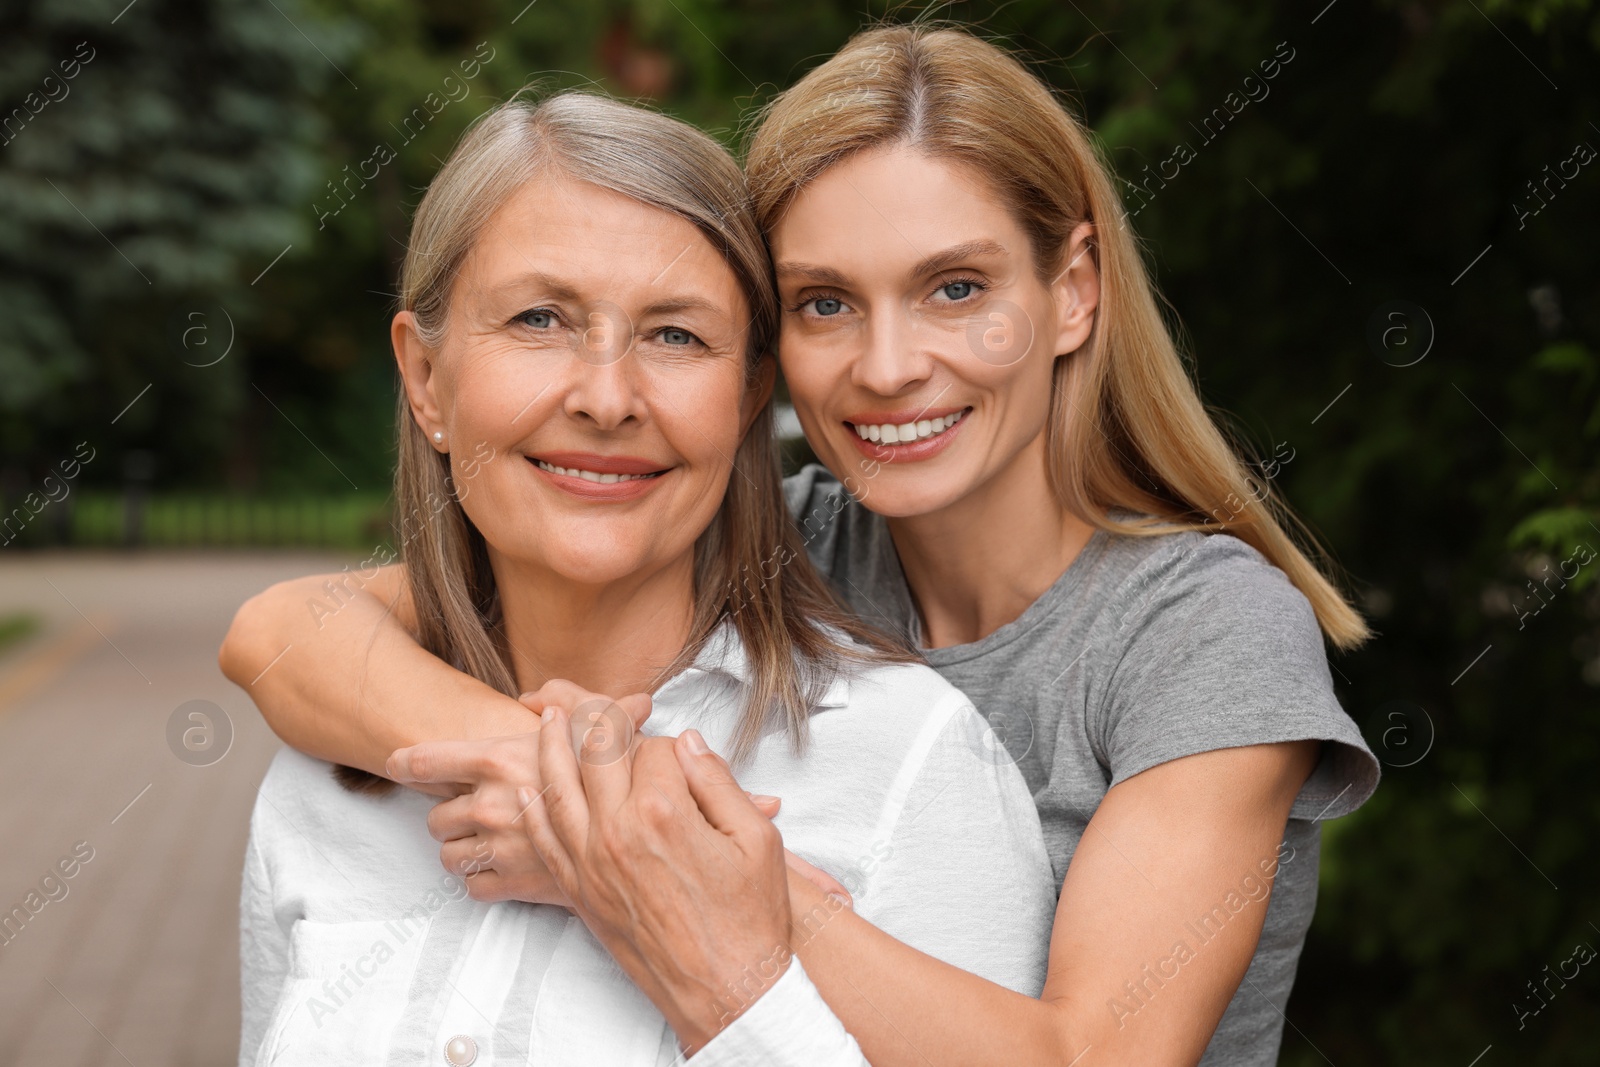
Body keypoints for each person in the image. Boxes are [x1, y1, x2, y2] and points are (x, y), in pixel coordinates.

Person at [222, 23, 1380, 1066]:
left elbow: (1095, 1058)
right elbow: (286, 631)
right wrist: (559, 774)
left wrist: (655, 854)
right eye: (825, 302)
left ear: (1072, 290)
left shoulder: (1202, 630)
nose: (886, 367)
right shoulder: (792, 543)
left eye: (955, 287)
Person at [230, 89, 1057, 1067]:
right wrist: (568, 779)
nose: (609, 397)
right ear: (423, 378)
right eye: (539, 319)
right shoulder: (326, 778)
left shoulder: (908, 760)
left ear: (748, 395)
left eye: (674, 335)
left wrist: (712, 941)